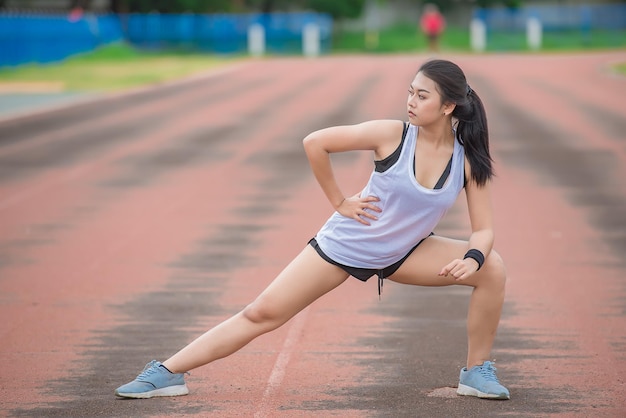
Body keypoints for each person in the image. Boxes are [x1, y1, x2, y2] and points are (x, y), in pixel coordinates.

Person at [115, 59, 510, 401]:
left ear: (448, 106)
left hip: (404, 252)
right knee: (262, 313)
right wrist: (340, 202)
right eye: (410, 92)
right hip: (345, 245)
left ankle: (476, 372)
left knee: (492, 268)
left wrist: (473, 258)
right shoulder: (392, 135)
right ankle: (166, 372)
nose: (410, 101)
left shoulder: (468, 161)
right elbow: (315, 142)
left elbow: (484, 229)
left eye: (422, 96)